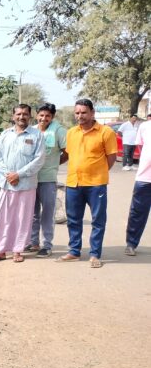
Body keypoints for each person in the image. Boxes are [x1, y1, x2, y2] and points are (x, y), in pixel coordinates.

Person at [58, 99, 117, 268]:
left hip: (96, 184)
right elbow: (68, 155)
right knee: (73, 219)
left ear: (92, 113)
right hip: (73, 183)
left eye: (84, 112)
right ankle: (74, 251)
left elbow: (111, 158)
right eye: (77, 113)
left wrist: (98, 173)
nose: (80, 116)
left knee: (98, 220)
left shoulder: (105, 132)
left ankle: (95, 254)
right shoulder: (71, 133)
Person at [0, 104, 45, 263]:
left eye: (25, 114)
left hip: (26, 185)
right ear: (13, 116)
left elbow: (39, 160)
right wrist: (8, 174)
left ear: (30, 117)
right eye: (18, 114)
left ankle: (18, 250)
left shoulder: (36, 135)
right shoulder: (5, 134)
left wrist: (19, 174)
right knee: (3, 218)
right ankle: (0, 251)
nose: (21, 117)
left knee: (22, 218)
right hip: (7, 184)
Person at [26, 103, 68, 257]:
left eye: (47, 116)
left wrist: (55, 164)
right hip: (31, 178)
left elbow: (67, 152)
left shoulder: (59, 131)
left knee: (47, 213)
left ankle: (47, 245)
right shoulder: (31, 131)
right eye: (41, 115)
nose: (44, 119)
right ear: (37, 115)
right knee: (33, 213)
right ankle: (33, 242)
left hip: (48, 178)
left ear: (53, 117)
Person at [125, 115, 151, 256]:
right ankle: (131, 243)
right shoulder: (145, 126)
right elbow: (140, 147)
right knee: (138, 212)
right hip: (145, 177)